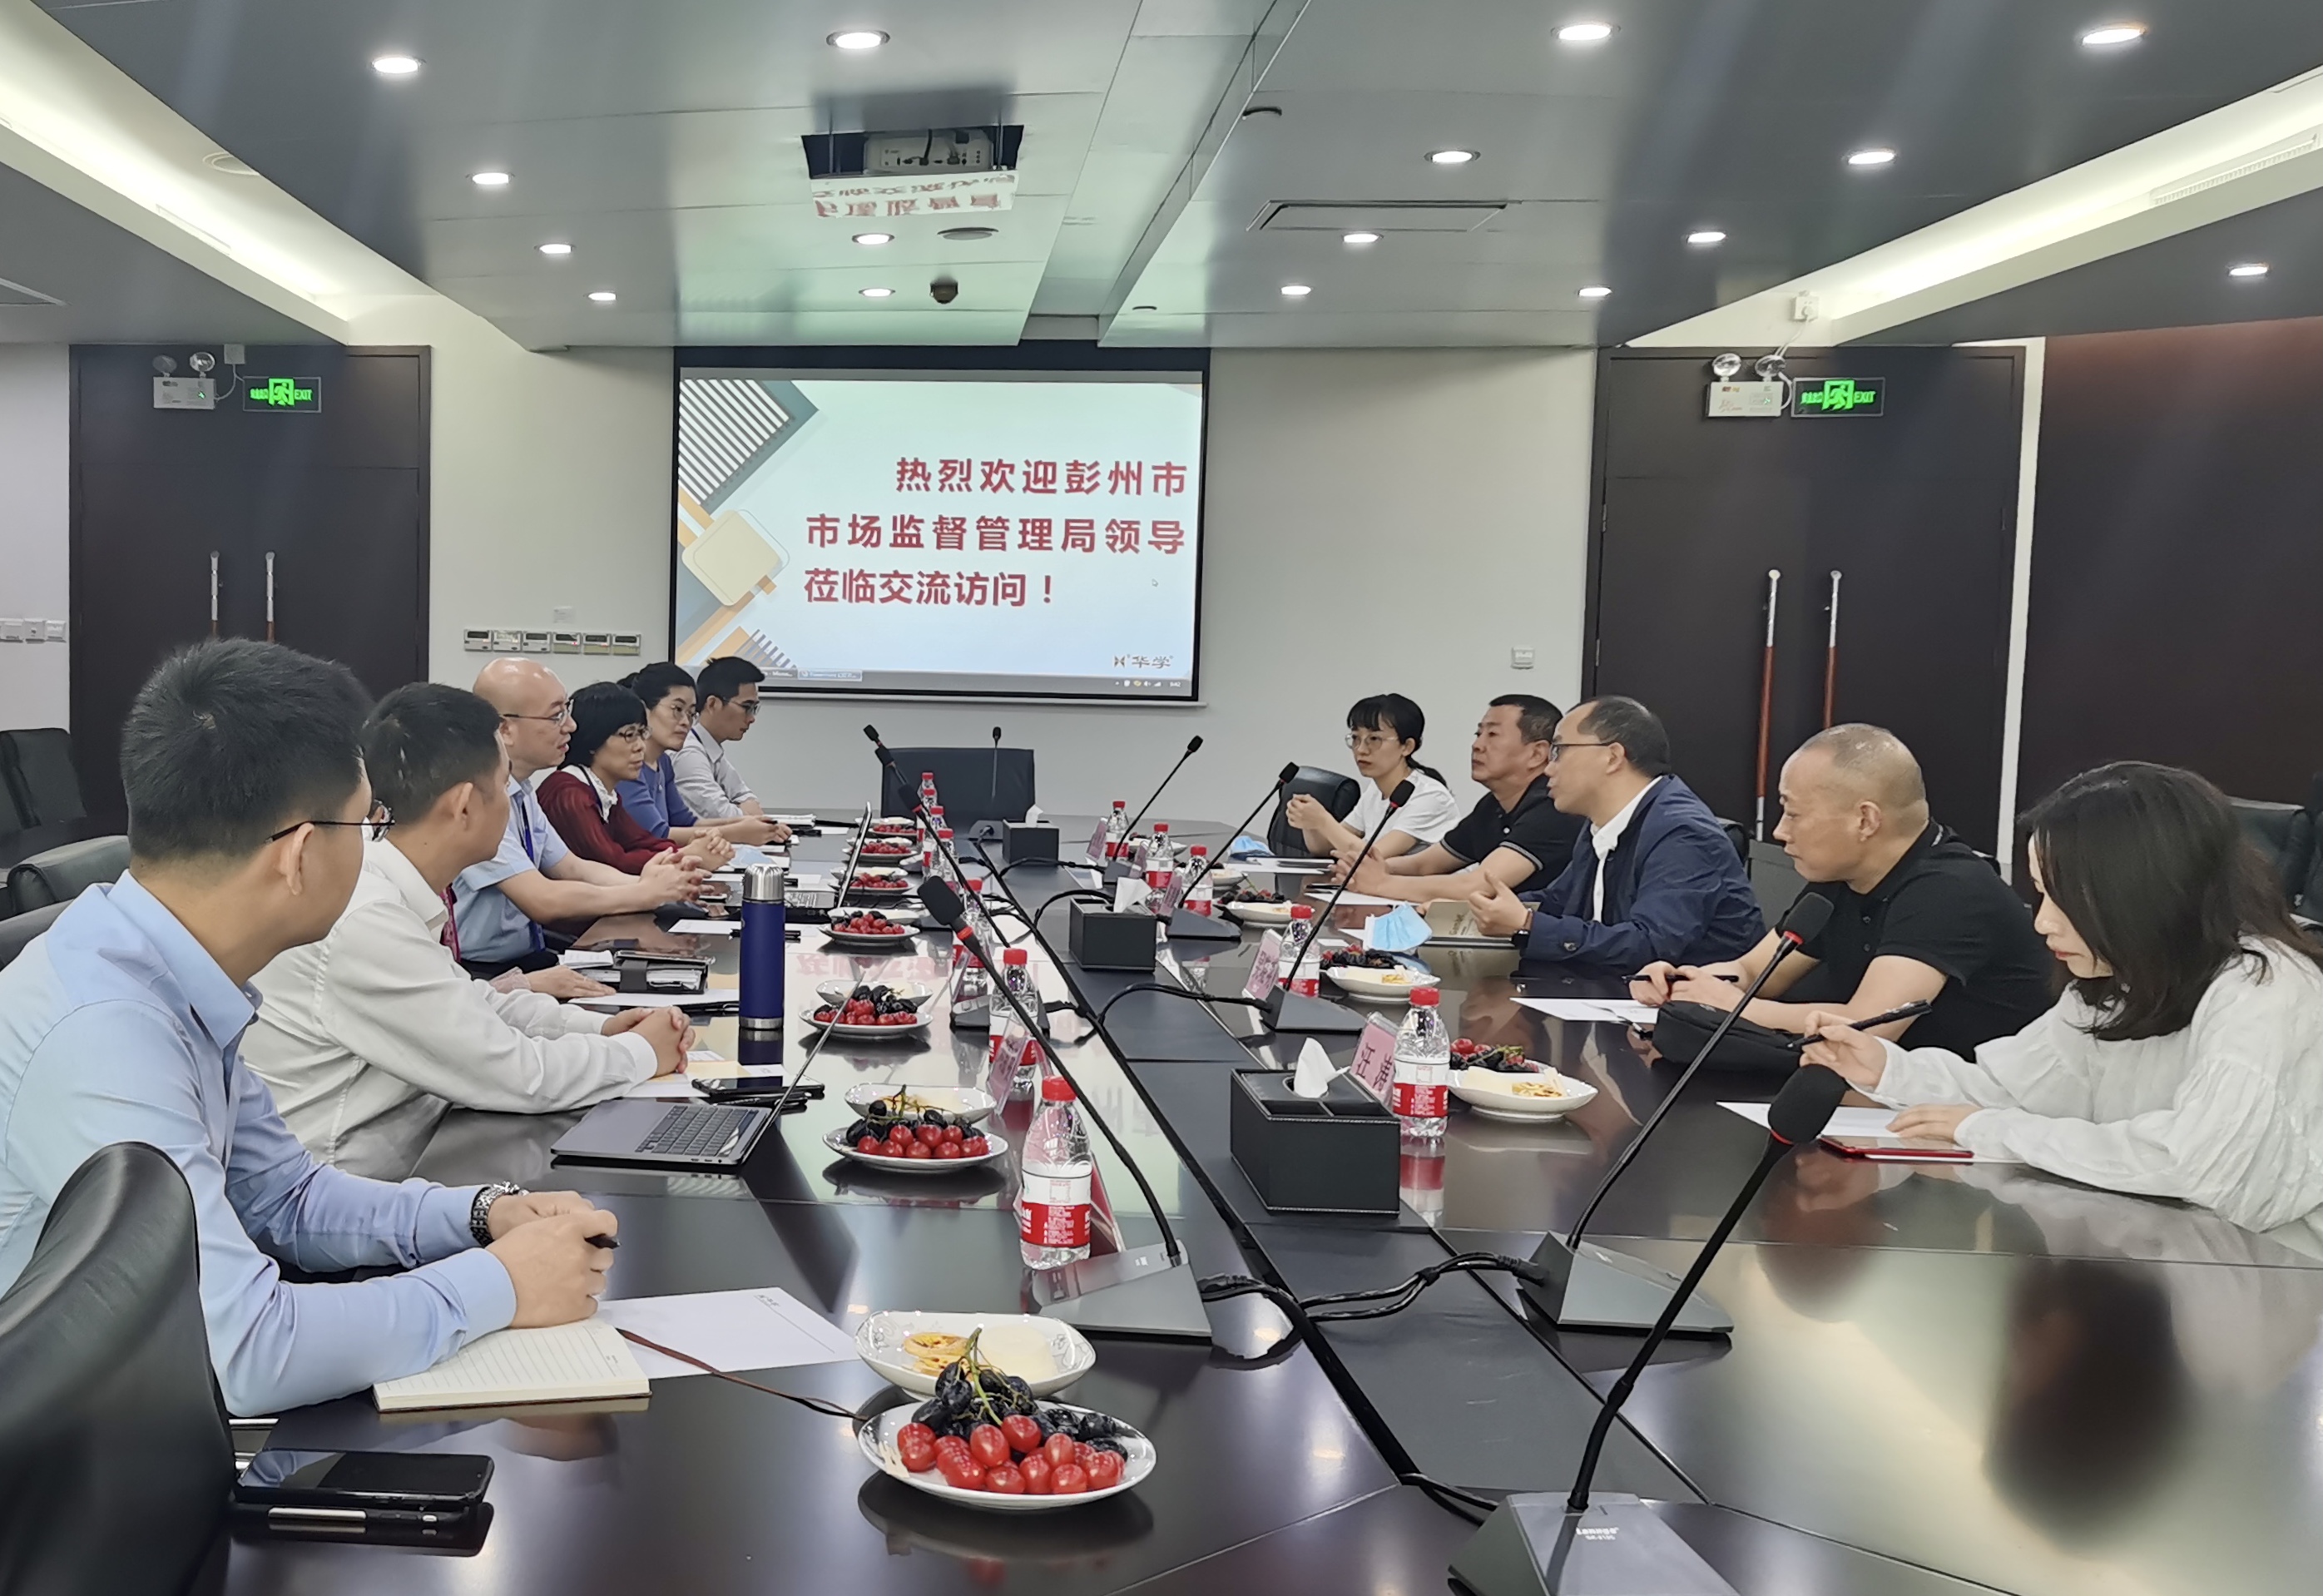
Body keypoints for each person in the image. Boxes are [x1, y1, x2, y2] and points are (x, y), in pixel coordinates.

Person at [0, 640, 619, 1415]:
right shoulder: (106, 1035)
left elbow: (285, 1199)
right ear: (299, 853)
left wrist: (481, 1213)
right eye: (365, 824)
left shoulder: (172, 967)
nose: (373, 847)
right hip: (64, 1448)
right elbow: (246, 1352)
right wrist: (502, 1283)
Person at [1805, 761, 2323, 1235]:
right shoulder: (2120, 980)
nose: (2043, 922)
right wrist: (1887, 1068)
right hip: (2160, 1257)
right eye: (2040, 894)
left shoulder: (2265, 990)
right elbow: (2013, 1089)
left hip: (2278, 1272)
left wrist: (1998, 1131)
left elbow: (2194, 1163)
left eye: (2063, 897)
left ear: (2141, 891)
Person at [247, 683, 693, 1173]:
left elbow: (472, 1003)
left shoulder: (389, 884)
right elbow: (518, 1075)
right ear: (463, 806)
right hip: (352, 1193)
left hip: (422, 1154)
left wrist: (602, 1027)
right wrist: (640, 1053)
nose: (510, 804)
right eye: (503, 789)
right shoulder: (367, 916)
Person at [1629, 725, 2052, 1053]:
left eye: (1794, 814)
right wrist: (1686, 982)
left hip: (1965, 1111)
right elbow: (1757, 973)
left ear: (1865, 820)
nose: (1779, 831)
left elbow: (1869, 1024)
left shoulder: (1950, 891)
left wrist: (1731, 1006)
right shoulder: (1841, 878)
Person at [1467, 696, 1762, 974]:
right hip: (1612, 992)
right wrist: (1482, 909)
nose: (1549, 769)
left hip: (1687, 1005)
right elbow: (1560, 900)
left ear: (1612, 757)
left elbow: (1652, 945)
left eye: (1559, 751)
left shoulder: (1682, 832)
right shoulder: (1602, 822)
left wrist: (1528, 924)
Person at [458, 658, 702, 978]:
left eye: (568, 711)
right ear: (505, 729)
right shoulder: (478, 799)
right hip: (483, 972)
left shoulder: (522, 790)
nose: (571, 725)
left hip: (527, 955)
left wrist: (658, 885)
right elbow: (542, 899)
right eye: (556, 715)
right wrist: (644, 892)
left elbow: (572, 867)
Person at [1337, 695, 1584, 902]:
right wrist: (1374, 868)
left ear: (1537, 753)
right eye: (1478, 733)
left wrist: (1380, 884)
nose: (1477, 745)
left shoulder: (1552, 808)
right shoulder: (1493, 805)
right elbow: (1425, 865)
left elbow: (1476, 886)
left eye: (1493, 735)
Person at [538, 682, 733, 875]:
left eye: (642, 734)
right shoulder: (568, 794)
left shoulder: (605, 794)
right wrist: (687, 855)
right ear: (593, 739)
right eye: (629, 735)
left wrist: (694, 848)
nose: (641, 746)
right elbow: (612, 862)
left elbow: (642, 842)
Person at [619, 662, 787, 847]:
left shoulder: (663, 762)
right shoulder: (627, 764)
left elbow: (686, 822)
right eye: (677, 709)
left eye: (691, 714)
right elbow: (658, 834)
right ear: (644, 709)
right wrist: (738, 832)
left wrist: (749, 823)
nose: (686, 722)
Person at [1284, 693, 1461, 860]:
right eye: (1355, 738)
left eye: (1374, 739)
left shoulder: (1430, 797)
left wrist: (1323, 821)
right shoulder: (1376, 790)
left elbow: (1372, 858)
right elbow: (1325, 848)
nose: (1361, 749)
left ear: (1407, 746)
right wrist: (1310, 823)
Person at [672, 654, 783, 825]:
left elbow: (746, 796)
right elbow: (725, 818)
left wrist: (745, 810)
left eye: (754, 708)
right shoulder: (688, 753)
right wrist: (745, 813)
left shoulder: (710, 749)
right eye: (746, 707)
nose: (751, 718)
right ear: (712, 704)